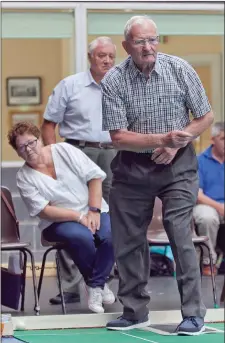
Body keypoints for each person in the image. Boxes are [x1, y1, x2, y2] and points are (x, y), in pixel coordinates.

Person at [100, 16, 214, 334]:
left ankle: (193, 314)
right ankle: (135, 310)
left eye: (153, 39)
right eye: (140, 41)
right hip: (131, 167)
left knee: (179, 233)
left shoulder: (179, 69)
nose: (148, 47)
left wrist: (177, 144)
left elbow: (205, 116)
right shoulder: (114, 80)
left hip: (178, 167)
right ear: (126, 46)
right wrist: (162, 139)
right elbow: (118, 137)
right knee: (127, 240)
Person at [8, 122, 115, 314]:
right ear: (17, 152)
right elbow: (44, 211)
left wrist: (93, 210)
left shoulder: (64, 150)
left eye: (31, 143)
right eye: (22, 147)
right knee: (81, 237)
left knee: (111, 235)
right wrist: (79, 217)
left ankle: (95, 285)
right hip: (57, 222)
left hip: (93, 209)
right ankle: (98, 285)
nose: (29, 149)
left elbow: (95, 177)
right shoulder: (23, 177)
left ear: (39, 139)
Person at [41, 37, 117, 305]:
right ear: (90, 57)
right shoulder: (70, 85)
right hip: (76, 152)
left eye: (111, 56)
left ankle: (101, 280)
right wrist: (56, 158)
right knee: (72, 217)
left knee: (110, 217)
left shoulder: (121, 84)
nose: (107, 61)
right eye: (101, 56)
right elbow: (49, 125)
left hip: (112, 153)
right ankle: (72, 286)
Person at [193, 122, 224, 276]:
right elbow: (197, 195)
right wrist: (220, 207)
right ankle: (208, 262)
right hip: (208, 204)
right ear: (213, 139)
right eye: (223, 138)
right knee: (206, 217)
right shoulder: (200, 161)